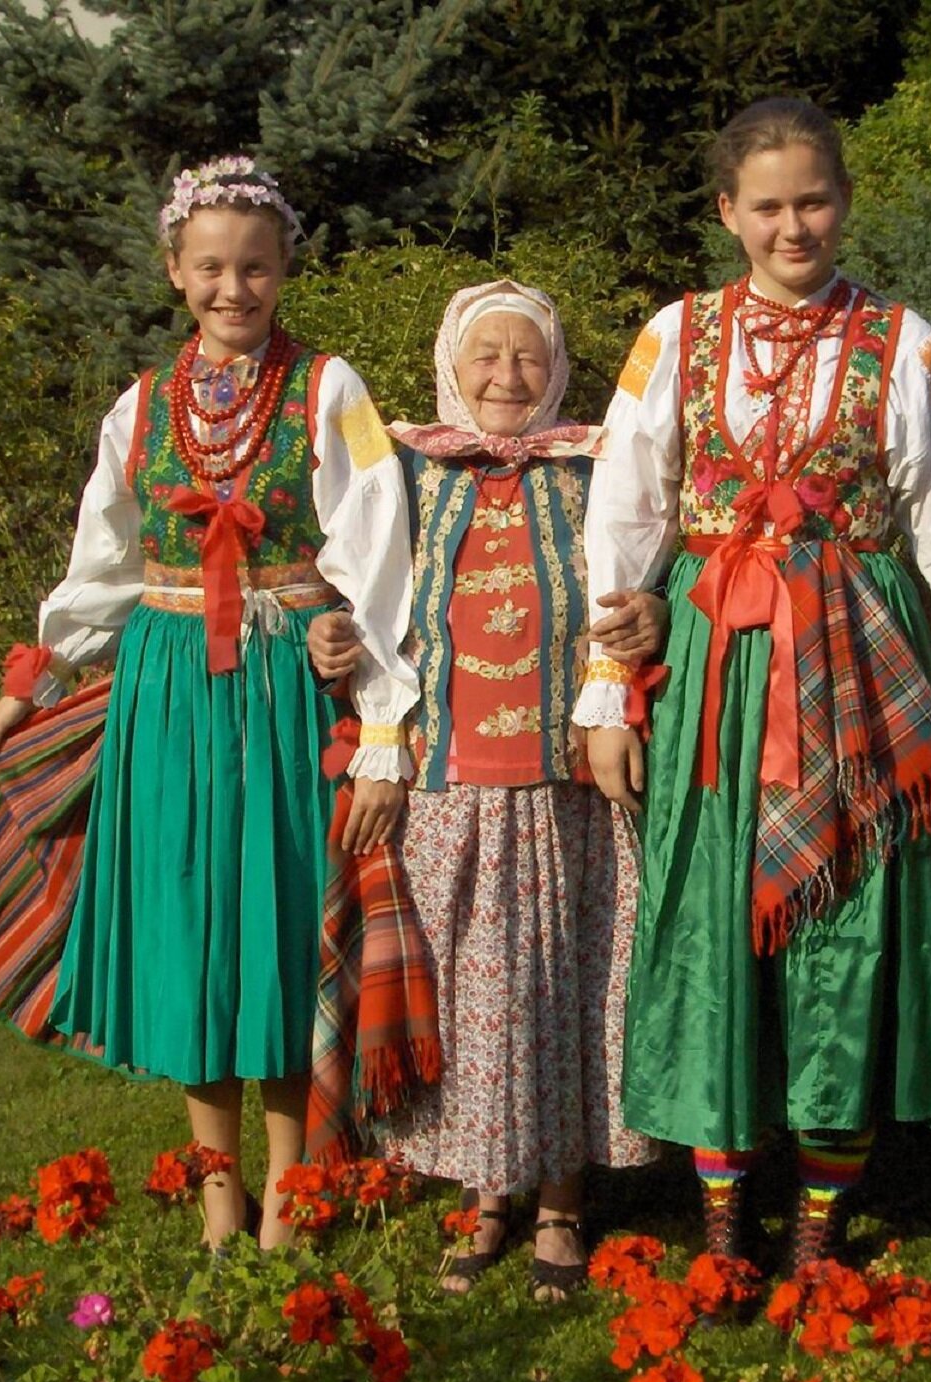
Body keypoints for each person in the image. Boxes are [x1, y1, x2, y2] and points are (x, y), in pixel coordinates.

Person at [577, 98, 931, 1275]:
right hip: (718, 678)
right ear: (727, 211)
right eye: (768, 205)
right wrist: (604, 689)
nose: (794, 227)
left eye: (814, 200)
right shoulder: (674, 335)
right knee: (713, 928)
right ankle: (726, 1213)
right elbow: (623, 510)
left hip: (869, 678)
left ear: (845, 200)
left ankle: (821, 1226)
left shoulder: (906, 340)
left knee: (856, 929)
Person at [0, 156, 417, 1252]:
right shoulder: (139, 406)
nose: (234, 289)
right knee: (190, 937)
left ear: (285, 269)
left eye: (255, 268)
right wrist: (38, 677)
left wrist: (382, 722)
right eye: (211, 267)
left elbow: (380, 558)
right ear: (175, 272)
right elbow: (102, 559)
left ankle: (293, 1192)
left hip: (279, 696)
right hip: (168, 694)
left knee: (272, 929)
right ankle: (221, 1201)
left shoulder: (332, 391)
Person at [308, 280, 662, 1301]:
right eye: (486, 359)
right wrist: (339, 641)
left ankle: (559, 1198)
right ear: (449, 370)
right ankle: (487, 1189)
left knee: (564, 985)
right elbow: (362, 588)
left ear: (558, 372)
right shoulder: (408, 475)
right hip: (449, 780)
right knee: (473, 996)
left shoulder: (598, 471)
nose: (509, 378)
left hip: (564, 787)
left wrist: (643, 621)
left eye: (530, 359)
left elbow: (647, 569)